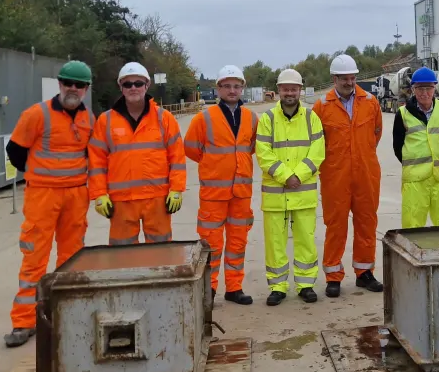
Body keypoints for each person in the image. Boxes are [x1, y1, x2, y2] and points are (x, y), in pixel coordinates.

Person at [3, 60, 95, 348]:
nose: (73, 89)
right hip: (43, 196)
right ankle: (24, 321)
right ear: (59, 84)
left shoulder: (88, 119)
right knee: (34, 258)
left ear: (86, 89)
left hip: (76, 196)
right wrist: (40, 175)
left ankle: (66, 314)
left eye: (79, 85)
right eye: (68, 83)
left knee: (72, 259)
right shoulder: (37, 115)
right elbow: (15, 151)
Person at [88, 62, 186, 248]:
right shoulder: (105, 121)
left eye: (138, 83)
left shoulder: (163, 118)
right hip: (121, 202)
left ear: (147, 86)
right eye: (127, 84)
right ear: (121, 87)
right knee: (122, 254)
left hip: (157, 199)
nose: (133, 88)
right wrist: (99, 194)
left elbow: (177, 158)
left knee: (161, 252)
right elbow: (96, 161)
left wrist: (176, 189)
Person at [184, 65, 256, 305]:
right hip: (214, 193)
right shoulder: (204, 118)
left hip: (241, 193)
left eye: (237, 86)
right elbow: (192, 148)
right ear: (219, 89)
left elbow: (252, 147)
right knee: (211, 244)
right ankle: (209, 289)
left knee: (237, 242)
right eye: (227, 86)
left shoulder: (251, 118)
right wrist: (214, 165)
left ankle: (234, 287)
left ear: (242, 88)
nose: (232, 90)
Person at [313, 53, 384, 298]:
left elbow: (376, 133)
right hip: (335, 175)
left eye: (352, 77)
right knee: (336, 225)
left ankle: (365, 273)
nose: (349, 82)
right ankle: (333, 276)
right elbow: (316, 142)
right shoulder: (322, 106)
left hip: (366, 173)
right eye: (344, 78)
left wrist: (361, 156)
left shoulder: (371, 102)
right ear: (334, 78)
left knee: (367, 222)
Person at [256, 69, 325, 306]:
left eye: (293, 89)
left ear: (300, 91)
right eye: (285, 89)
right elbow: (263, 153)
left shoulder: (311, 118)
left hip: (303, 192)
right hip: (277, 194)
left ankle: (306, 284)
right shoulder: (267, 119)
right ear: (278, 91)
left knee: (305, 238)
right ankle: (278, 286)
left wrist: (299, 175)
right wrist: (286, 176)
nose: (289, 93)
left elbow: (318, 152)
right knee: (275, 241)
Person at [394, 66, 439, 227]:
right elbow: (397, 146)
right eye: (420, 88)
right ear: (413, 89)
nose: (424, 93)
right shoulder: (403, 113)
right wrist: (413, 163)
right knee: (412, 225)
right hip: (414, 180)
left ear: (435, 88)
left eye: (428, 88)